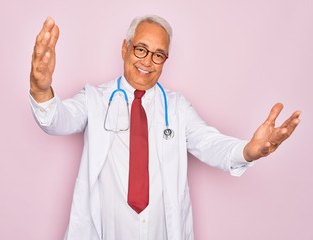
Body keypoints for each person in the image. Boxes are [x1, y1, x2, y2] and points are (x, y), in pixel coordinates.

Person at [29, 15, 301, 240]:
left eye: (159, 55)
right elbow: (57, 120)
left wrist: (249, 151)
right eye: (141, 49)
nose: (147, 61)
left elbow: (209, 143)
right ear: (125, 48)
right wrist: (41, 89)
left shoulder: (177, 107)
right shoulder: (94, 99)